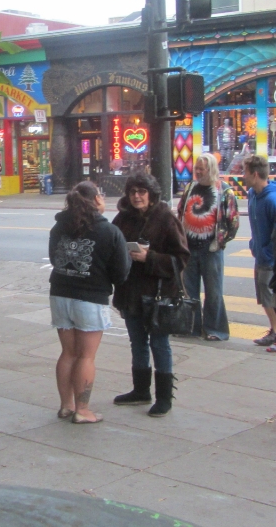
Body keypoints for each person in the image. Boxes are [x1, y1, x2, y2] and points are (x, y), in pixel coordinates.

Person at [49, 182, 131, 424]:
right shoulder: (109, 232)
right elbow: (121, 271)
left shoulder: (59, 227)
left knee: (68, 353)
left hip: (60, 294)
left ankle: (66, 405)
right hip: (90, 298)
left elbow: (55, 258)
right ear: (96, 199)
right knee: (86, 357)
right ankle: (83, 410)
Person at [112, 173, 190, 417]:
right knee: (137, 343)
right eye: (133, 192)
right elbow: (110, 246)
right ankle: (140, 390)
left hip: (158, 295)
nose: (137, 196)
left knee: (159, 343)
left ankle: (164, 397)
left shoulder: (166, 218)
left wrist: (150, 258)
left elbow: (181, 258)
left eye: (142, 192)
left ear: (152, 194)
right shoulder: (122, 218)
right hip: (130, 292)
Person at [177, 153, 239, 341]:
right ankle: (191, 328)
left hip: (211, 250)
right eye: (196, 168)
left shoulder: (224, 191)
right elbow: (180, 212)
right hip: (189, 249)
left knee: (213, 292)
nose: (197, 171)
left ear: (211, 169)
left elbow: (233, 223)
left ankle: (215, 330)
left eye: (201, 169)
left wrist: (220, 242)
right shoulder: (190, 188)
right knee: (189, 291)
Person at [243, 156, 276, 349]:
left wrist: (267, 252)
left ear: (255, 174)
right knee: (264, 296)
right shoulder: (252, 195)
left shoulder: (271, 200)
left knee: (269, 295)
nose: (243, 175)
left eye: (245, 172)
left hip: (269, 258)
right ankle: (273, 330)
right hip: (260, 254)